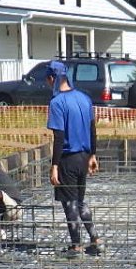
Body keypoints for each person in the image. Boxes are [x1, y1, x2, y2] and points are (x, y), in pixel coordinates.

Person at [46, 60, 103, 256]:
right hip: (84, 157)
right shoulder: (84, 98)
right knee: (80, 200)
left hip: (68, 159)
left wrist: (54, 165)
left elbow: (59, 136)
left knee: (69, 203)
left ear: (52, 78)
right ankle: (95, 239)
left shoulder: (57, 102)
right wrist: (93, 155)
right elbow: (92, 129)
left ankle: (76, 245)